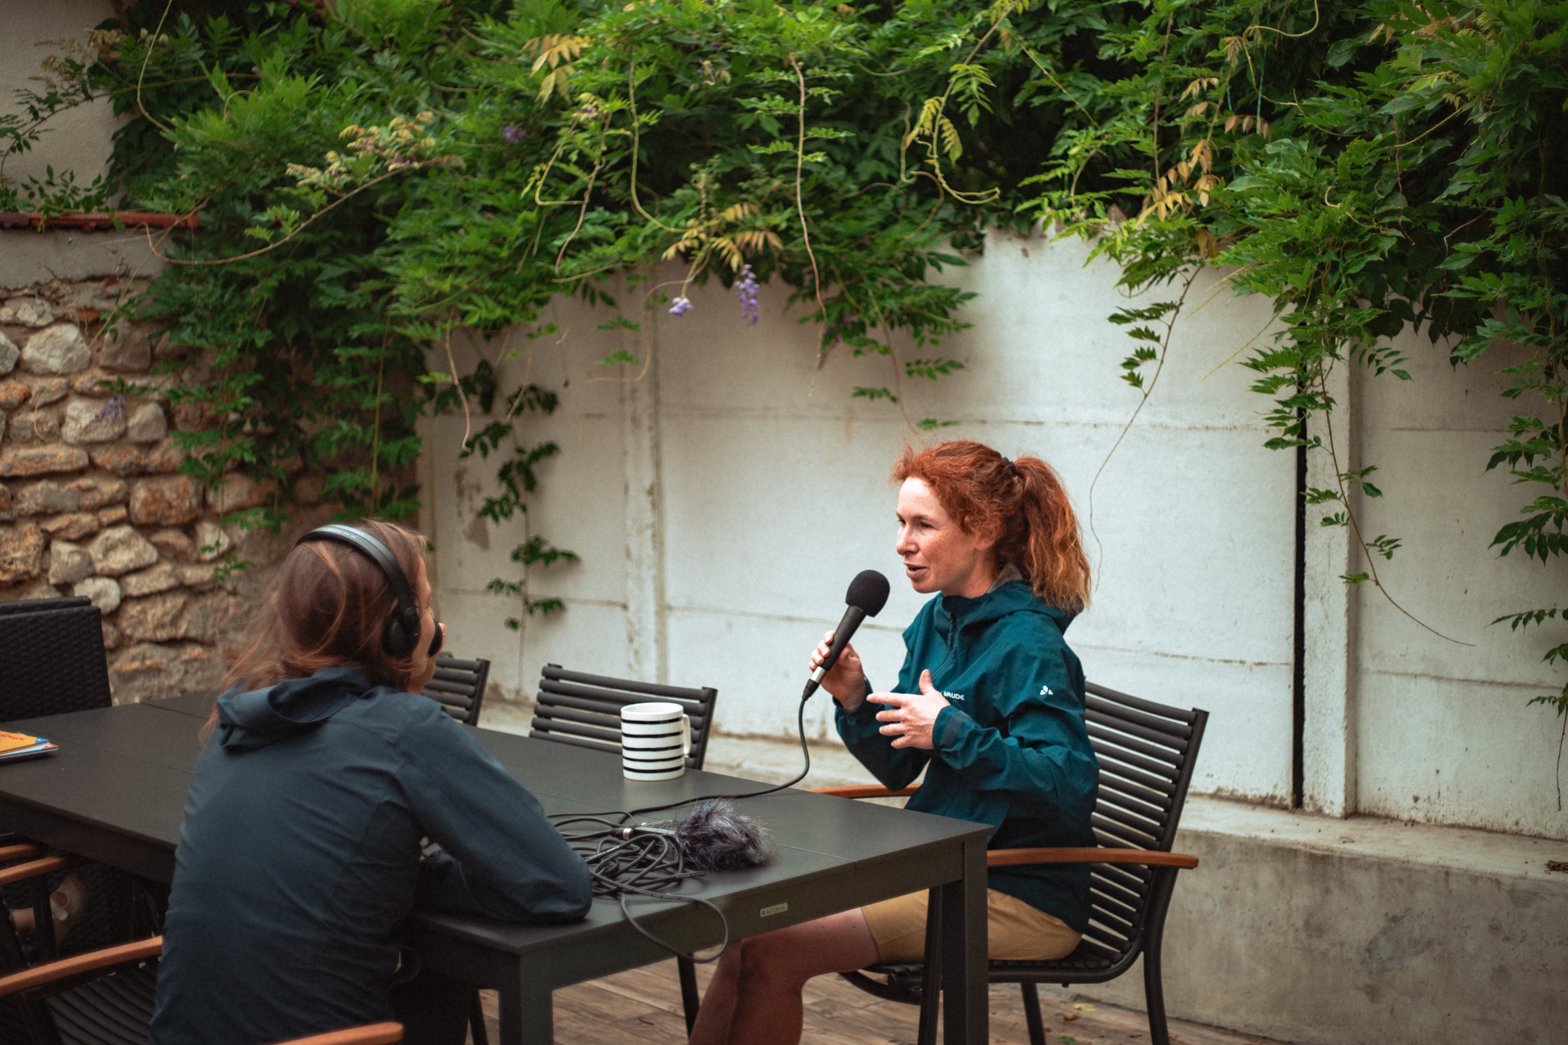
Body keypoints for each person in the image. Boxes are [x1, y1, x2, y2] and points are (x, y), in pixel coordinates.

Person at [689, 439, 1098, 1045]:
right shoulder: (938, 619)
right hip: (941, 870)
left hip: (1016, 892)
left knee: (773, 950)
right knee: (745, 931)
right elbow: (897, 768)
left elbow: (1068, 784)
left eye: (922, 525)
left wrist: (953, 731)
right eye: (901, 523)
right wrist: (855, 696)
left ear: (982, 530)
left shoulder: (1029, 644)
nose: (902, 543)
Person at [149, 520, 593, 1045]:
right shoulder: (404, 729)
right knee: (435, 983)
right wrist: (423, 878)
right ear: (399, 628)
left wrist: (406, 877)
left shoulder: (238, 718)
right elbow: (560, 886)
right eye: (425, 607)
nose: (435, 623)